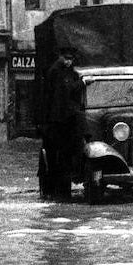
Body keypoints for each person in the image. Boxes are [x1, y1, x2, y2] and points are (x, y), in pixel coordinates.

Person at [43, 46, 83, 198]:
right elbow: (67, 90)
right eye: (66, 58)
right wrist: (83, 84)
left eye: (71, 59)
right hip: (61, 122)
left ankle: (60, 191)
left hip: (60, 120)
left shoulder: (64, 71)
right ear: (60, 57)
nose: (68, 62)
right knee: (63, 156)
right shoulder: (57, 72)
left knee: (62, 157)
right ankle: (61, 192)